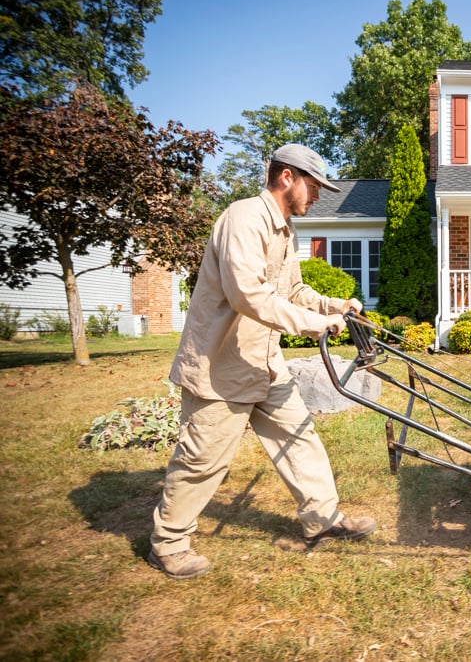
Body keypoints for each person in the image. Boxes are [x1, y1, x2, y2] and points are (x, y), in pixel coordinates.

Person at [148, 143, 376, 580]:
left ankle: (322, 520)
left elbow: (291, 292)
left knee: (300, 437)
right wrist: (312, 324)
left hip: (265, 361)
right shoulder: (244, 218)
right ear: (287, 177)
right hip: (222, 365)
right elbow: (247, 294)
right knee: (203, 460)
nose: (318, 195)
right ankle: (169, 542)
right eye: (313, 185)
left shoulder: (284, 231)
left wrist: (333, 307)